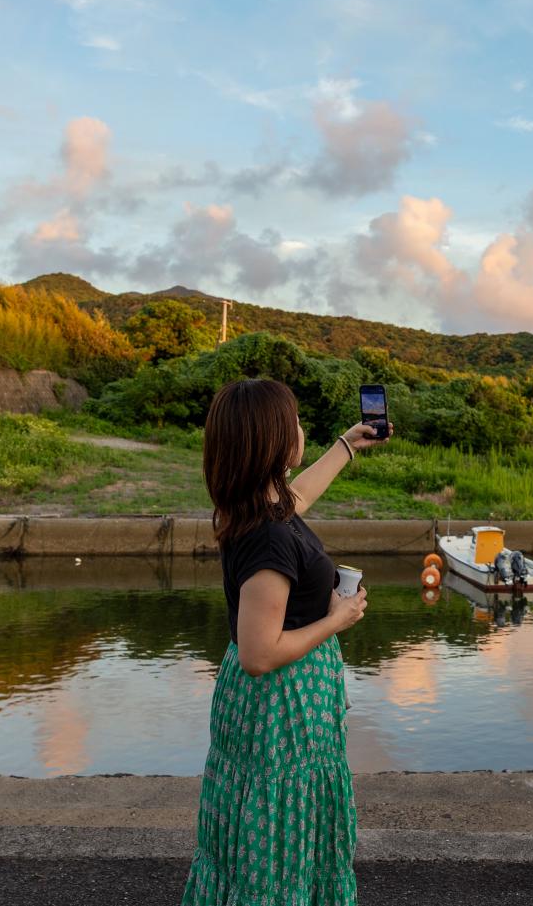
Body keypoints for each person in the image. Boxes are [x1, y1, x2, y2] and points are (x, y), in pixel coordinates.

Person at [182, 378, 390, 905]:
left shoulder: (261, 504)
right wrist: (337, 619)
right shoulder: (270, 537)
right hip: (281, 705)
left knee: (264, 842)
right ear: (274, 439)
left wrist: (346, 446)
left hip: (278, 708)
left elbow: (297, 496)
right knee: (278, 838)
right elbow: (259, 655)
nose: (301, 429)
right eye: (294, 422)